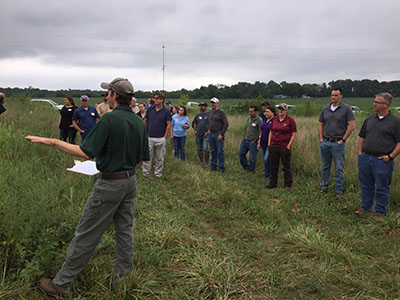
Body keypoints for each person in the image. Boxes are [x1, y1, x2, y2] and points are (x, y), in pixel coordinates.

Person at [27, 77, 149, 298]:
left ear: (113, 95)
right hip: (130, 182)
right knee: (124, 231)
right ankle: (121, 281)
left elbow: (86, 152)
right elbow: (142, 158)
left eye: (108, 92)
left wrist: (53, 141)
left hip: (110, 184)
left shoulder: (109, 120)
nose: (106, 96)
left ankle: (60, 285)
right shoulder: (139, 122)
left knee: (86, 234)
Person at [355, 92, 400, 217]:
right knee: (366, 185)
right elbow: (361, 137)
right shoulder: (369, 119)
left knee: (382, 187)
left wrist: (390, 157)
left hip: (382, 160)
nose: (374, 104)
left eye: (377, 102)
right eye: (374, 101)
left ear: (386, 105)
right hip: (365, 158)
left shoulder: (395, 122)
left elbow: (399, 143)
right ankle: (365, 207)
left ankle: (380, 211)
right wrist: (360, 153)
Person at [319, 88, 355, 194]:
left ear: (341, 96)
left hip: (338, 143)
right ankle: (324, 186)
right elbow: (321, 124)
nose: (333, 97)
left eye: (336, 95)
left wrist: (343, 140)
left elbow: (352, 126)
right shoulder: (325, 109)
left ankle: (339, 190)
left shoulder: (346, 109)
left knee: (339, 167)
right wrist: (321, 139)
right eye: (332, 95)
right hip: (325, 142)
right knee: (325, 166)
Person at [266, 103, 297, 189]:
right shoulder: (275, 119)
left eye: (282, 109)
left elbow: (293, 134)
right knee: (273, 165)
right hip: (274, 145)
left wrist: (289, 145)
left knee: (286, 166)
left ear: (286, 110)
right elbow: (271, 132)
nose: (280, 111)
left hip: (284, 146)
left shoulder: (290, 120)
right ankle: (273, 183)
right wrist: (269, 144)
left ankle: (288, 184)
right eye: (279, 109)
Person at [142, 92, 172, 178]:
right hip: (150, 137)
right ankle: (146, 174)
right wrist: (145, 132)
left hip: (160, 138)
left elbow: (169, 124)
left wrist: (165, 137)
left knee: (159, 158)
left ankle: (158, 174)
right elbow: (145, 121)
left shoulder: (166, 111)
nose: (155, 99)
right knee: (147, 157)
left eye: (157, 98)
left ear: (162, 100)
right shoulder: (150, 109)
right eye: (154, 98)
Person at [207, 97, 229, 172]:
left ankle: (221, 168)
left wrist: (221, 134)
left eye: (214, 103)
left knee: (220, 151)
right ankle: (213, 167)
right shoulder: (210, 112)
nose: (212, 104)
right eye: (211, 103)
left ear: (217, 103)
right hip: (211, 134)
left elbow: (226, 124)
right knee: (213, 151)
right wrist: (208, 129)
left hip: (218, 134)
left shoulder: (221, 112)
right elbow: (208, 122)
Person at [239, 106, 262, 173]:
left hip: (253, 141)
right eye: (249, 111)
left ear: (256, 112)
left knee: (252, 157)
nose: (250, 113)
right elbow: (247, 127)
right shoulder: (249, 118)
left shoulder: (259, 120)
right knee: (241, 154)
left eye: (251, 112)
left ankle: (251, 170)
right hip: (246, 139)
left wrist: (256, 140)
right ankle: (246, 167)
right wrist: (244, 136)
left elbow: (261, 131)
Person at [257, 106, 276, 178]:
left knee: (266, 159)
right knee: (265, 160)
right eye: (265, 112)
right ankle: (267, 175)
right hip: (263, 143)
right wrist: (259, 143)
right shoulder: (265, 120)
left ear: (272, 113)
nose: (266, 113)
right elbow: (261, 132)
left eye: (268, 112)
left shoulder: (274, 121)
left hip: (270, 144)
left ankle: (271, 174)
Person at [192, 102, 210, 167]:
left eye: (202, 106)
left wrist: (208, 131)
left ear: (205, 107)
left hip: (206, 134)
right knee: (199, 148)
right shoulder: (198, 115)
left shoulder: (209, 114)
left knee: (205, 148)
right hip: (198, 134)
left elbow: (211, 124)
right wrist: (195, 130)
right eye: (200, 106)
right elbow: (194, 123)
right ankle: (201, 161)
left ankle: (206, 162)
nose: (201, 107)